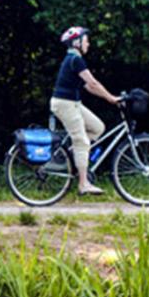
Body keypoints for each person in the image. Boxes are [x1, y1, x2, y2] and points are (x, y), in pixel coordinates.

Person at [50, 26, 121, 195]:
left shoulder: (73, 60)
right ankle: (83, 184)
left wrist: (108, 97)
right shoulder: (75, 59)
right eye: (86, 40)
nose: (88, 43)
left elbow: (89, 87)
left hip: (72, 103)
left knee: (97, 128)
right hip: (64, 104)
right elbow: (94, 83)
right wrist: (111, 98)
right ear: (77, 42)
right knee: (82, 141)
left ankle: (71, 155)